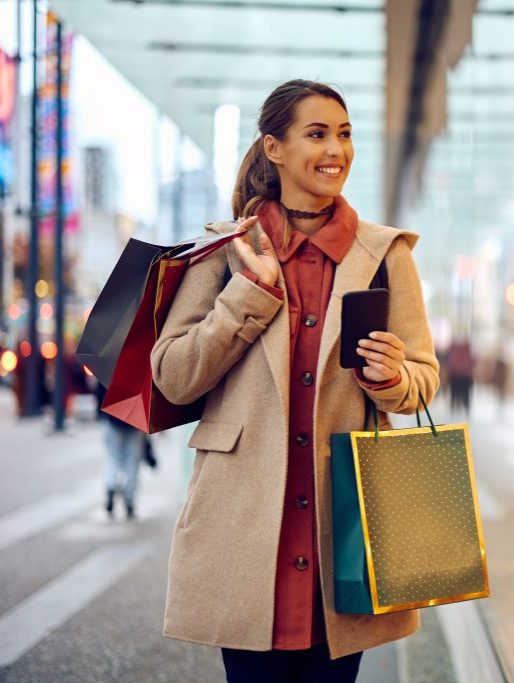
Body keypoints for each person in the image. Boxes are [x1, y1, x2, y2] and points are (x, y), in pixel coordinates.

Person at [150, 80, 439, 682]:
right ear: (274, 148)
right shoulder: (223, 250)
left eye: (345, 133)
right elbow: (174, 377)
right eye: (316, 134)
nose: (336, 149)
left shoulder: (387, 255)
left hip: (346, 527)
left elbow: (423, 379)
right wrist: (246, 297)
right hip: (245, 521)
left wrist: (391, 378)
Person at [94, 381, 144, 520]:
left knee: (112, 458)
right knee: (132, 463)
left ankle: (110, 486)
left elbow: (98, 395)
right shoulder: (139, 372)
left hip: (111, 420)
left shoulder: (108, 369)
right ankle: (129, 499)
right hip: (134, 422)